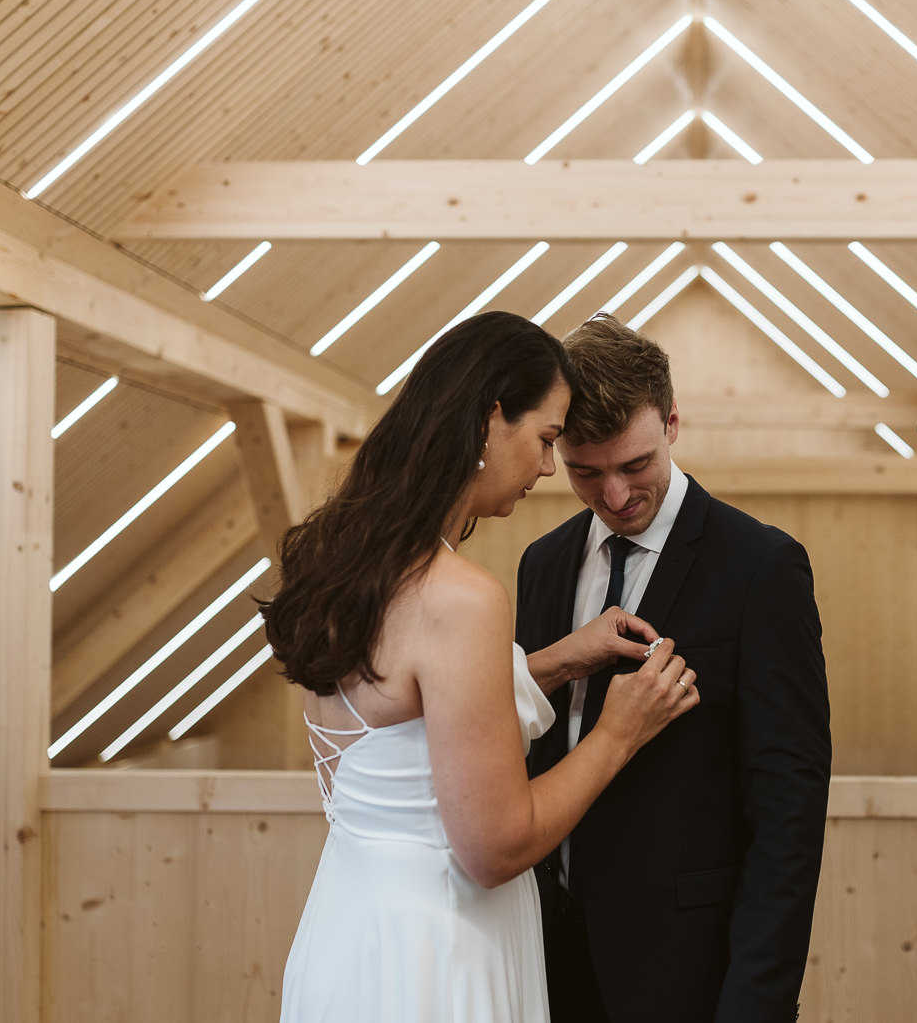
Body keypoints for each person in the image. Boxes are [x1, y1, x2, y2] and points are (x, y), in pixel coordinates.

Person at [266, 311, 698, 1022]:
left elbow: (404, 725)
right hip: (437, 954)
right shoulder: (463, 597)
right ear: (492, 417)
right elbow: (496, 846)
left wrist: (555, 661)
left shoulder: (347, 563)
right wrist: (619, 731)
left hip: (351, 929)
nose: (547, 468)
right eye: (547, 439)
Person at [518, 314, 832, 1023]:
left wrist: (755, 1005)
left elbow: (789, 813)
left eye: (635, 465)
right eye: (585, 472)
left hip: (689, 973)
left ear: (672, 422)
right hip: (542, 961)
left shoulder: (761, 567)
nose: (616, 496)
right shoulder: (542, 564)